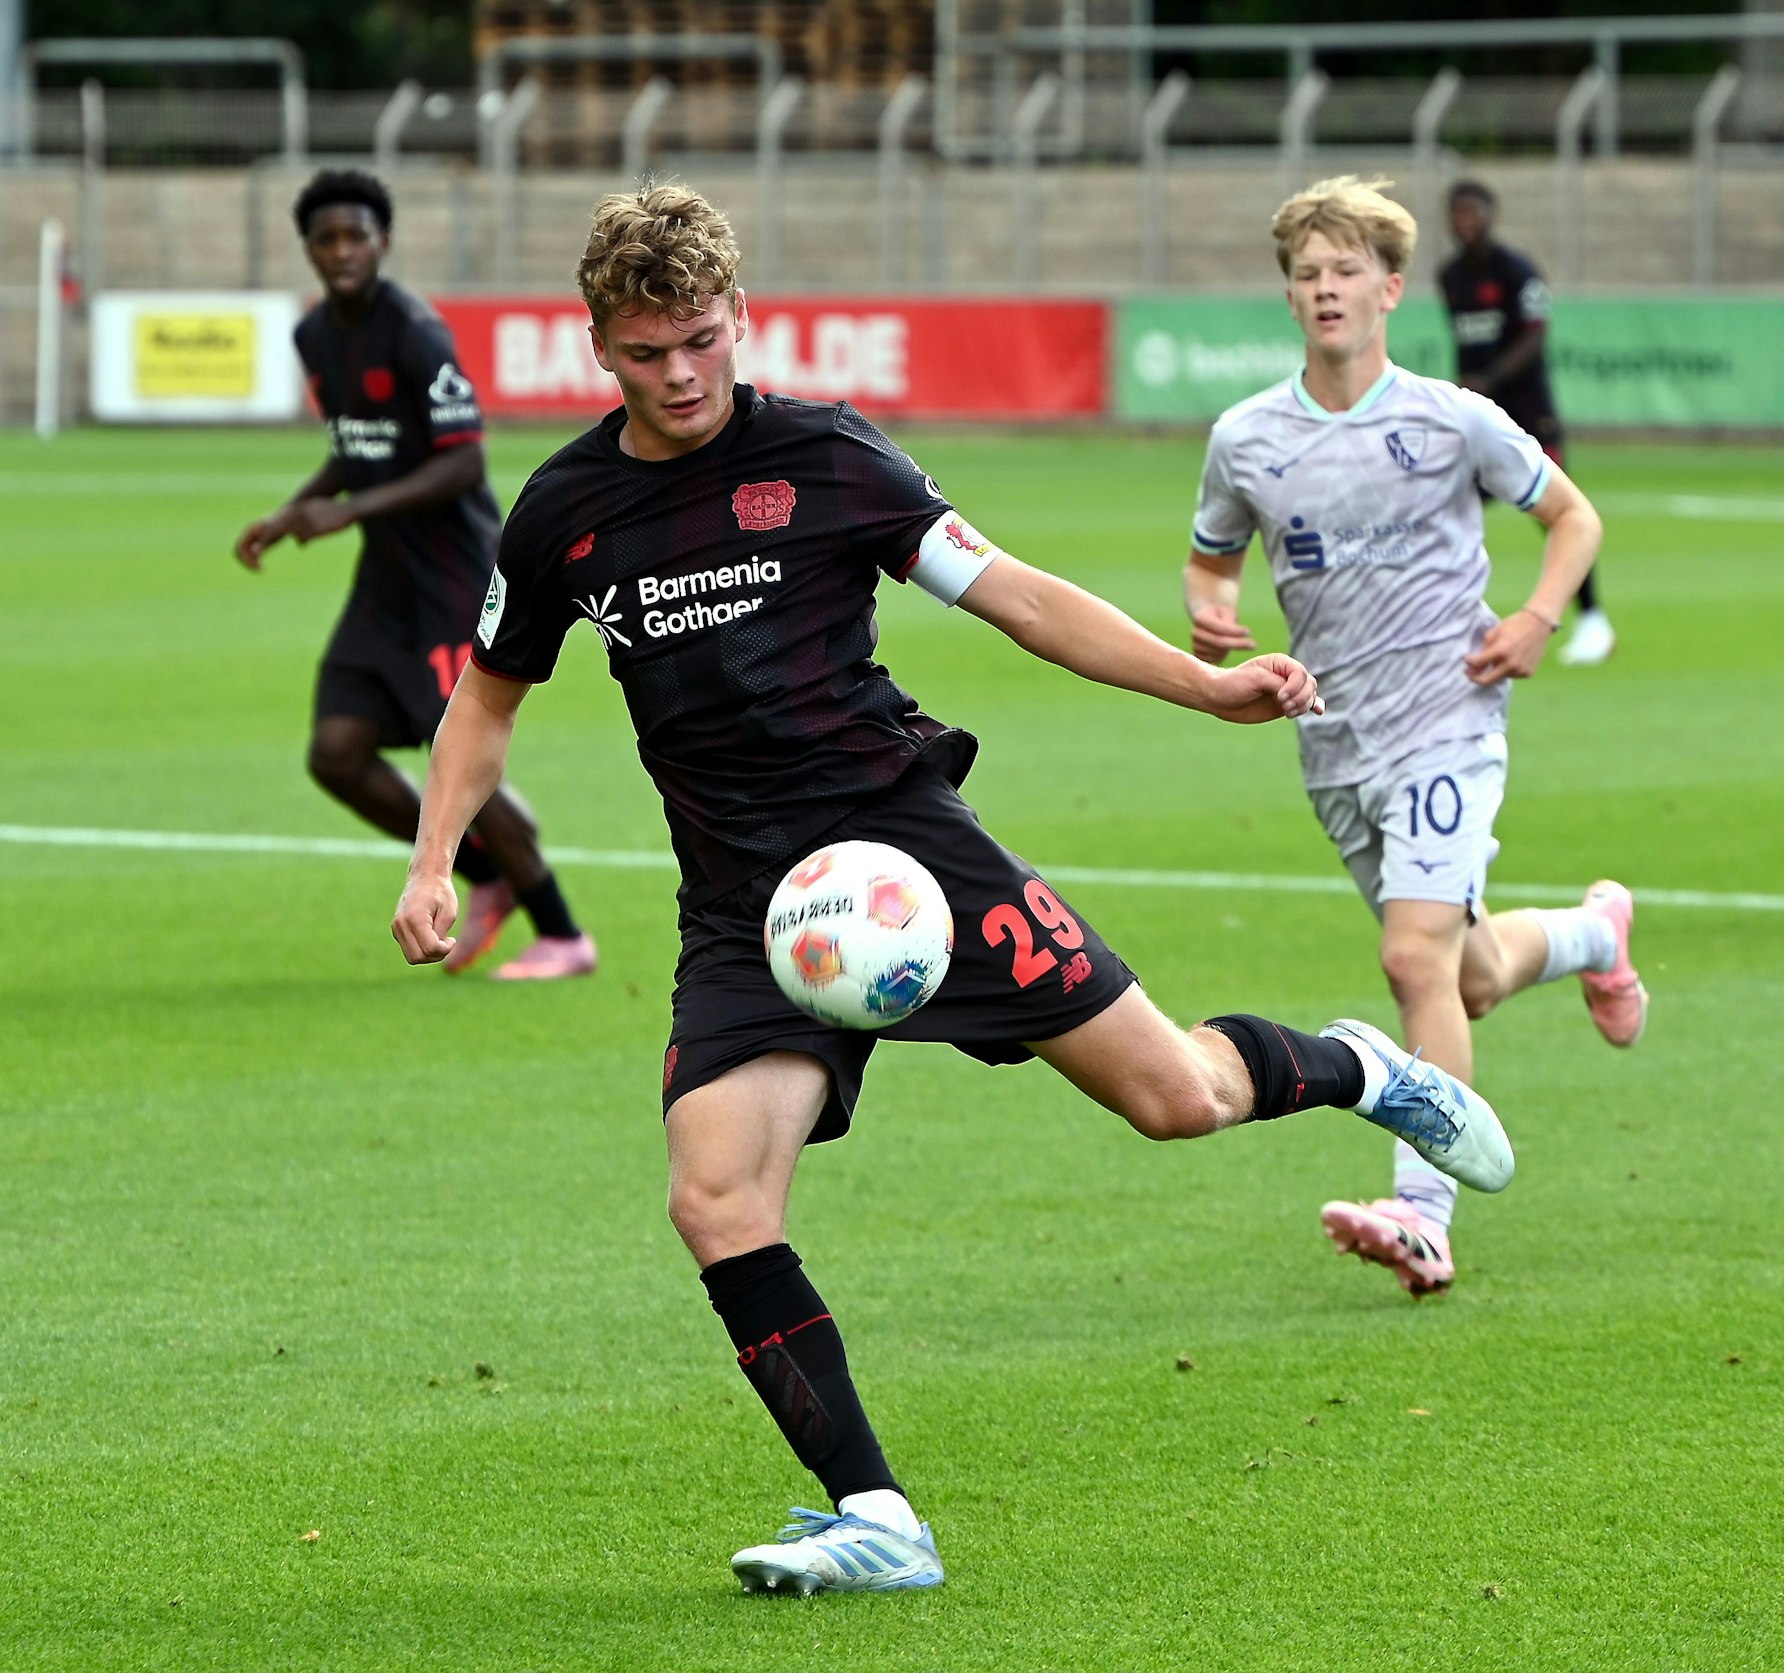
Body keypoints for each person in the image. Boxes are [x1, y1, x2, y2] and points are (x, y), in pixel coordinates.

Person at [390, 182, 1517, 1596]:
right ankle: (877, 1512)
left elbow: (1015, 594)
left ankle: (1362, 1065)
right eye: (642, 351)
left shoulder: (825, 455)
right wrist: (436, 858)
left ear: (738, 319)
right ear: (597, 345)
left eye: (698, 340)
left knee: (1181, 1099)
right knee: (717, 1197)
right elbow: (485, 699)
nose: (678, 376)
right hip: (750, 908)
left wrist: (1204, 686)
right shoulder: (564, 511)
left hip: (910, 853)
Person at [1181, 176, 1648, 1299]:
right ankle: (1594, 933)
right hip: (1333, 741)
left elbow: (1571, 516)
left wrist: (1536, 618)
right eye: (1306, 273)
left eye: (1346, 271)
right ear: (1288, 297)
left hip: (1449, 719)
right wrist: (1209, 609)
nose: (1325, 289)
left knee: (1409, 959)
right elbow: (1209, 555)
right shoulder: (1245, 438)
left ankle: (1421, 1213)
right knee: (1467, 976)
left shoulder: (1451, 418)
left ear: (1390, 289)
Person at [234, 168, 595, 978]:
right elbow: (356, 444)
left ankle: (565, 934)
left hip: (451, 578)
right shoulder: (314, 336)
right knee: (336, 752)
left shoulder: (415, 332)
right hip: (387, 582)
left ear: (382, 241)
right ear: (310, 250)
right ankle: (485, 876)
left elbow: (464, 463)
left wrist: (348, 513)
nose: (341, 250)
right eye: (325, 239)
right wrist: (296, 509)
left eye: (355, 235)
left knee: (454, 752)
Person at [1438, 179, 1615, 668]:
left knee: (1557, 514)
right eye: (1456, 213)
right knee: (1447, 502)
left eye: (1473, 212)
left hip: (1530, 415)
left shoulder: (1517, 273)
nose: (1464, 221)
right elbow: (1466, 343)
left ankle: (1593, 619)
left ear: (1491, 215)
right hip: (1478, 421)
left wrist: (1490, 377)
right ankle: (1441, 620)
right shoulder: (1449, 276)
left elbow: (1536, 337)